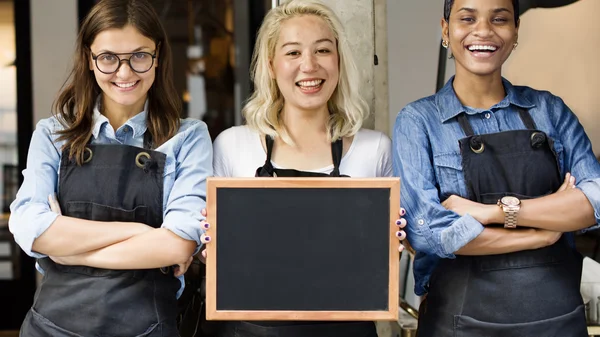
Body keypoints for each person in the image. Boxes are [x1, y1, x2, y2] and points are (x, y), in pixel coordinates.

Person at [393, 0, 600, 336]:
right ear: (446, 29)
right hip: (459, 325)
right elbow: (428, 231)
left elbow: (594, 201)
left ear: (516, 29)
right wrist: (541, 234)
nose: (484, 31)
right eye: (468, 18)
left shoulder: (550, 110)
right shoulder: (419, 122)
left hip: (559, 321)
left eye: (499, 19)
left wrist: (492, 212)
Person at [200, 0, 407, 336]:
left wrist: (395, 241)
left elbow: (387, 254)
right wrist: (209, 246)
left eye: (322, 50)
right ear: (271, 65)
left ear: (339, 60)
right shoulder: (232, 145)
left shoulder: (376, 149)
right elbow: (208, 250)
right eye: (293, 53)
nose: (309, 66)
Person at [8, 0, 212, 335]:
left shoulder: (188, 138)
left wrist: (70, 253)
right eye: (108, 58)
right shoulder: (52, 134)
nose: (124, 72)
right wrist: (140, 234)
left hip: (147, 328)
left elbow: (177, 244)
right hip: (51, 328)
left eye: (139, 56)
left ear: (157, 56)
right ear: (89, 59)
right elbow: (31, 226)